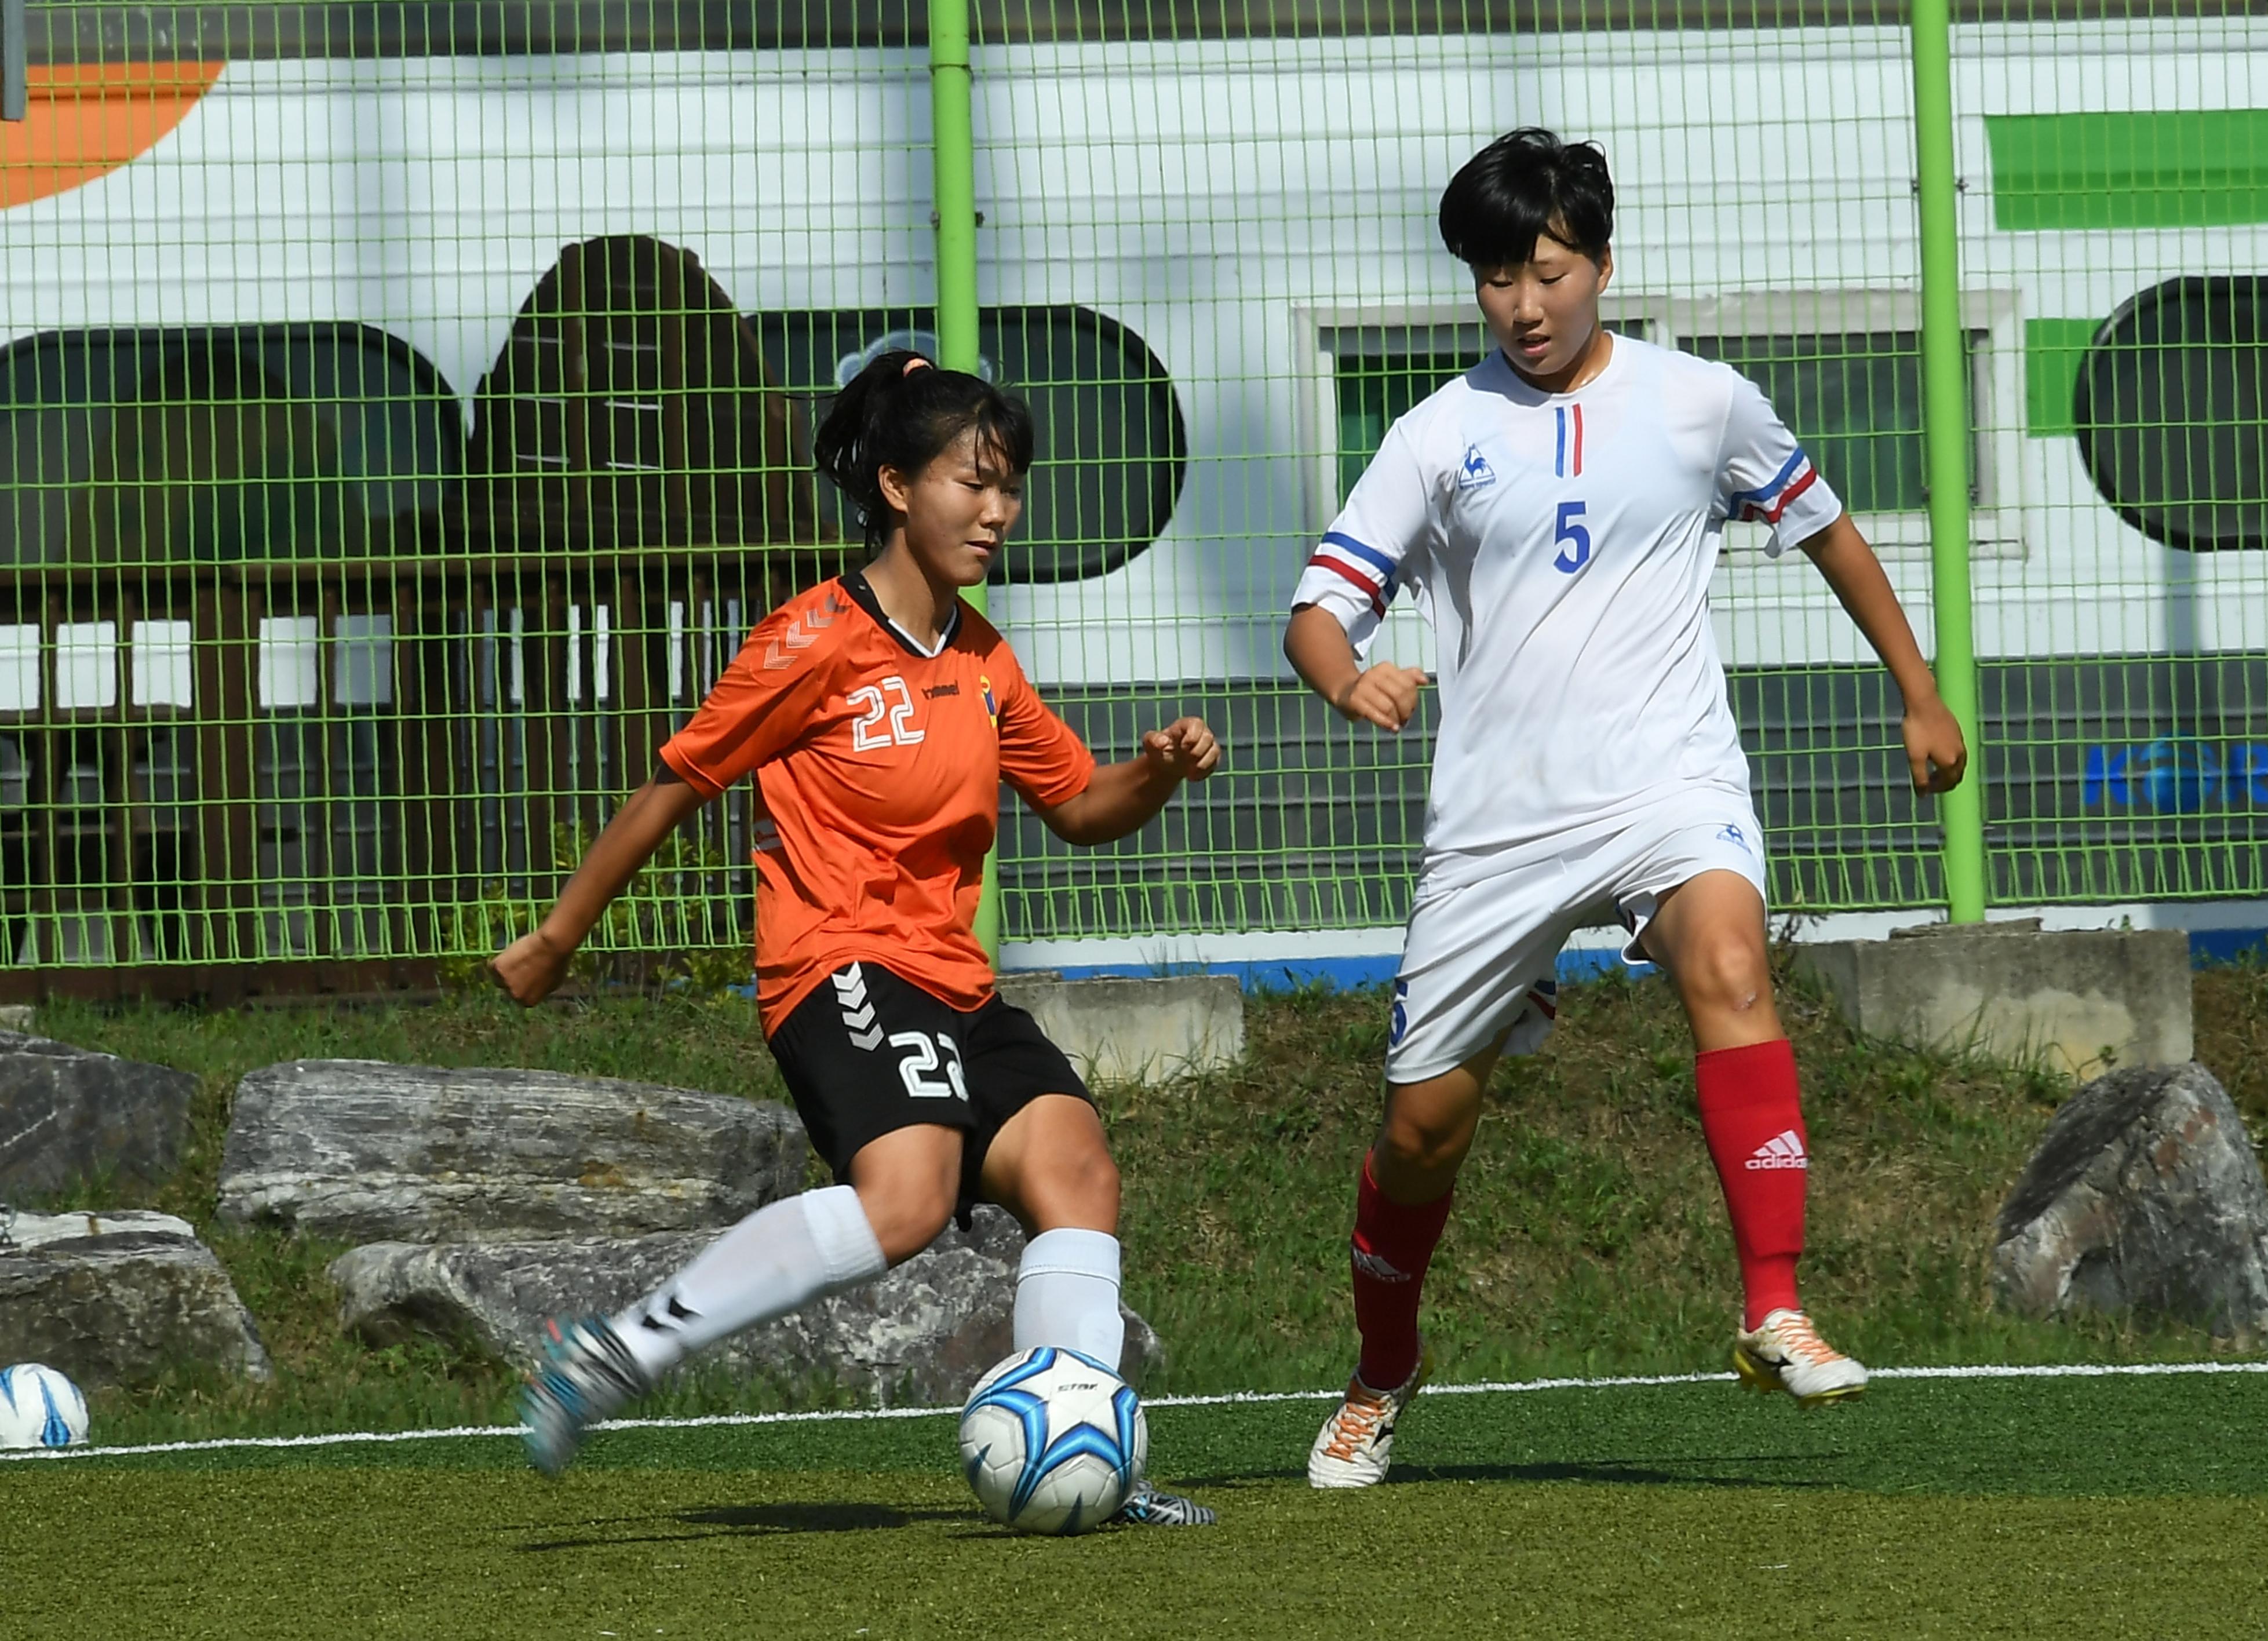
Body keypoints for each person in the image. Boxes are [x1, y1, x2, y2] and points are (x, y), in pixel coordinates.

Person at [1285, 129, 1969, 1488]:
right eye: (1494, 278)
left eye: (1545, 270)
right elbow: (1316, 608)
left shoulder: (1702, 402)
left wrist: (1919, 689)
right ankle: (1382, 1368)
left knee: (1730, 959)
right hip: (1498, 824)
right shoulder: (1437, 435)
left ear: (1601, 262)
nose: (1522, 305)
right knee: (1421, 1134)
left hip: (1670, 781)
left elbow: (1825, 527)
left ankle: (1771, 1303)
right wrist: (1348, 678)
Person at [490, 350, 1221, 1527]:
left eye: (1009, 488)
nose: (997, 512)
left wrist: (1156, 769)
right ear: (894, 486)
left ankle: (1090, 1458)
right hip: (838, 964)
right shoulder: (812, 640)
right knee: (907, 1198)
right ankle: (615, 1354)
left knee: (1076, 1172)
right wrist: (560, 933)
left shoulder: (982, 657)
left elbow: (1082, 810)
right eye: (971, 484)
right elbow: (677, 784)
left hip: (953, 983)